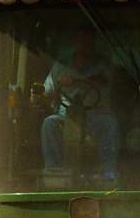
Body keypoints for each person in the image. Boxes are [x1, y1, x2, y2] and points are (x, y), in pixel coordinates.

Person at [39, 31, 120, 181]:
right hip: (66, 117)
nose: (86, 46)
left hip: (95, 117)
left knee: (111, 125)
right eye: (82, 41)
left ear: (94, 45)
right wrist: (37, 95)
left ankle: (109, 176)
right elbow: (47, 92)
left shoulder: (104, 65)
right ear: (75, 43)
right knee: (49, 123)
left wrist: (74, 81)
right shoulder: (60, 66)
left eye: (89, 42)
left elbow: (102, 80)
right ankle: (53, 172)